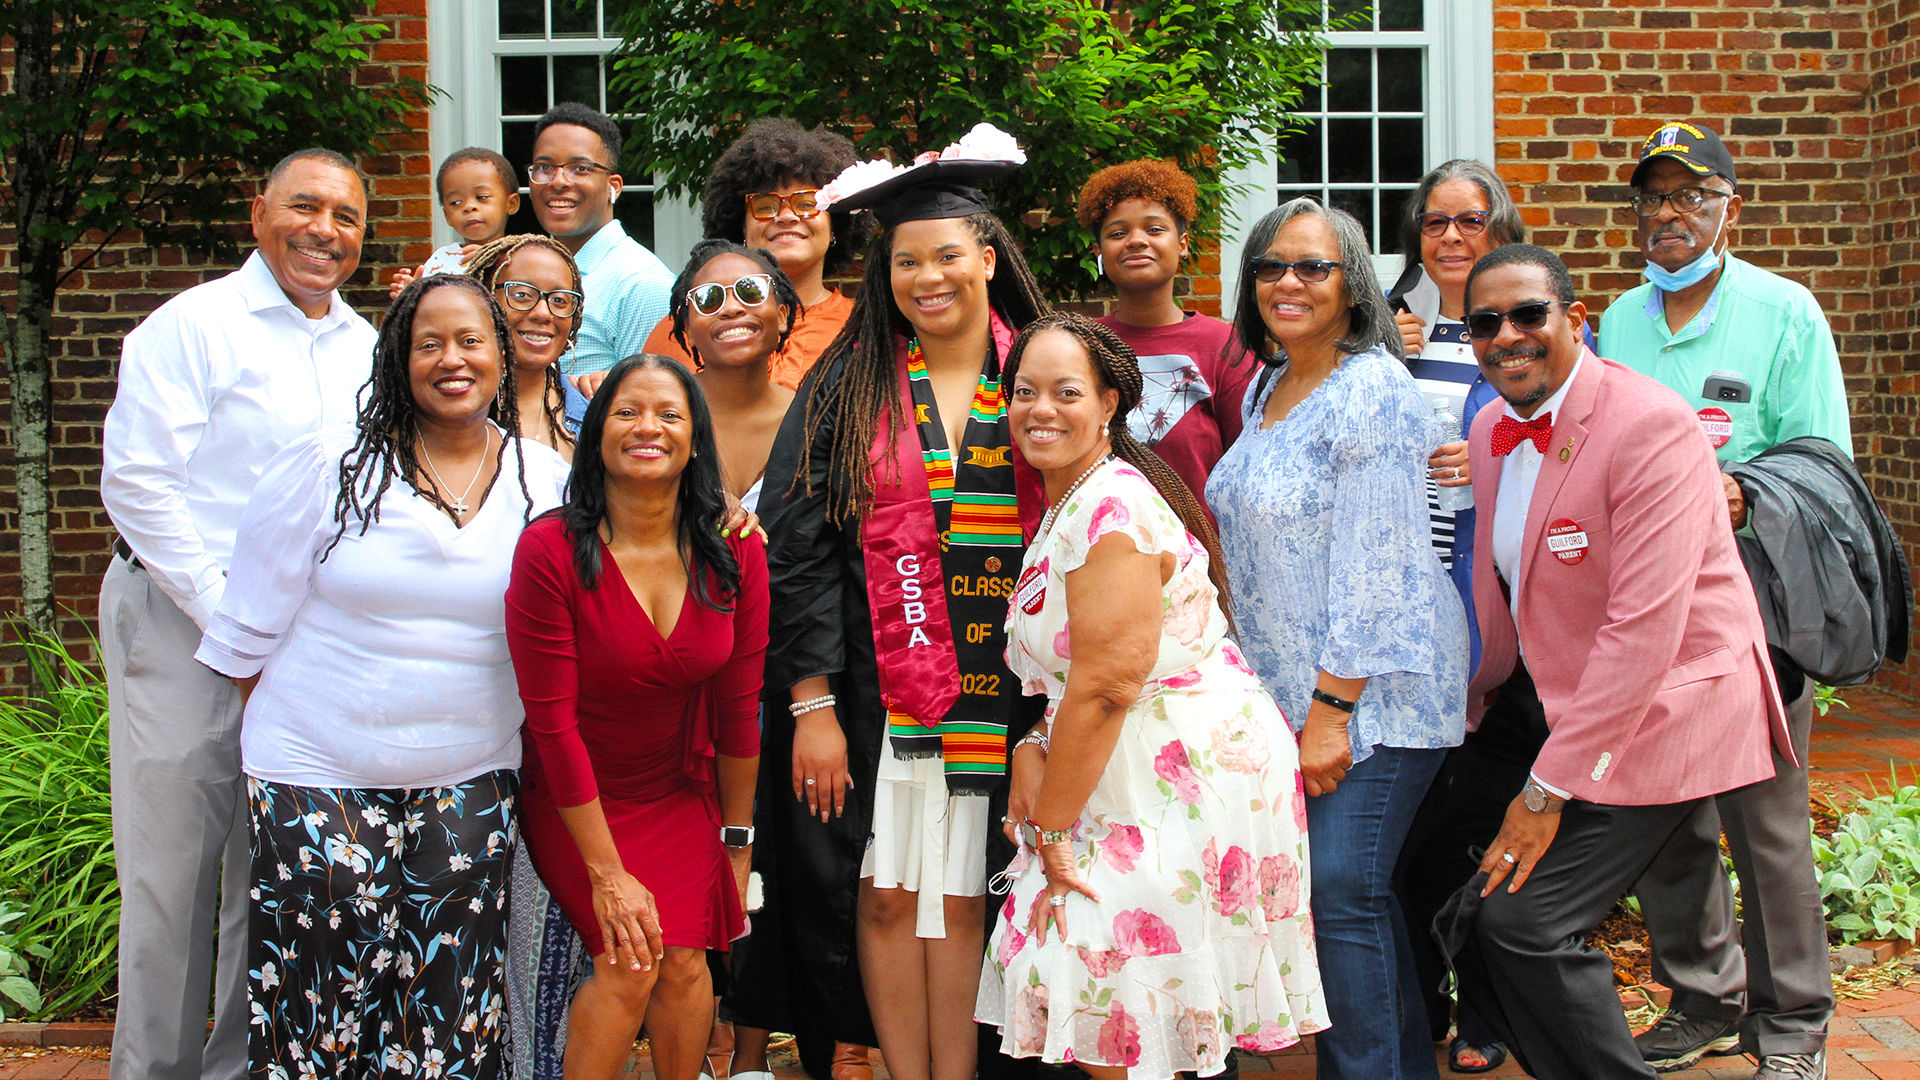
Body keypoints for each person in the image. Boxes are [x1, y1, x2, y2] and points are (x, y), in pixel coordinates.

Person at [726, 124, 1051, 1080]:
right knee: (877, 893)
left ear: (986, 259)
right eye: (907, 261)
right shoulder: (852, 382)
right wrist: (813, 704)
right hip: (878, 688)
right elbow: (800, 555)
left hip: (1008, 691)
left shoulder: (1040, 372)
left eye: (948, 256)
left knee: (963, 894)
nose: (927, 278)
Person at [193, 272, 570, 1075]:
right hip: (315, 772)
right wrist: (318, 741)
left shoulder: (550, 481)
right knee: (321, 998)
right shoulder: (333, 466)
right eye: (427, 343)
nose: (451, 359)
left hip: (472, 775)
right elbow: (247, 631)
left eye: (470, 340)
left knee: (451, 1002)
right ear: (396, 360)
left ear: (503, 355)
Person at [1448, 242, 1791, 1080]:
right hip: (1571, 701)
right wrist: (1465, 710)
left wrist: (1544, 789)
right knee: (1467, 911)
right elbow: (1503, 590)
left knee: (1525, 924)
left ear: (1575, 321)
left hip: (1670, 708)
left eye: (1528, 314)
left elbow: (1644, 631)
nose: (1506, 336)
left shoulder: (1651, 424)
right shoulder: (1493, 428)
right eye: (1484, 322)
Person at [974, 313, 1328, 1076]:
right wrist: (1035, 748)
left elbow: (1106, 684)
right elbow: (1077, 679)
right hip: (1128, 758)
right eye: (1025, 390)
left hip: (1176, 770)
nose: (1041, 408)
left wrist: (1056, 830)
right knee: (1128, 997)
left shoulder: (1112, 507)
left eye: (1066, 391)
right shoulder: (1075, 498)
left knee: (1117, 983)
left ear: (1108, 404)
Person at [98, 147, 373, 1080]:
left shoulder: (366, 345)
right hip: (185, 624)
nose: (324, 232)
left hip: (306, 643)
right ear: (259, 214)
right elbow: (139, 487)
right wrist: (233, 628)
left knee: (270, 874)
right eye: (306, 208)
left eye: (346, 217)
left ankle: (237, 1069)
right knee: (171, 880)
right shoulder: (192, 327)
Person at [1598, 121, 1845, 1080]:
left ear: (1729, 210)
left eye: (1690, 197)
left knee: (1767, 823)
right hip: (1645, 606)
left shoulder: (1786, 313)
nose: (1668, 215)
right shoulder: (1619, 323)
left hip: (1753, 605)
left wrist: (1747, 486)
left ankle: (1792, 1030)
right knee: (1669, 819)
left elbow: (1826, 467)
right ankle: (1703, 999)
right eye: (1653, 198)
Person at [1204, 198, 1467, 1080]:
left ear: (1350, 283)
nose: (1288, 282)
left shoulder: (1373, 389)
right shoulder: (1265, 385)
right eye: (1271, 265)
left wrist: (1329, 714)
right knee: (1351, 895)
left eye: (1312, 266)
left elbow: (1381, 567)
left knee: (1340, 893)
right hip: (1294, 696)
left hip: (1379, 693)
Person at [505, 353, 767, 1080]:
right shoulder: (550, 550)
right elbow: (551, 727)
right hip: (574, 795)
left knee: (684, 963)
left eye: (669, 414)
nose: (647, 427)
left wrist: (738, 838)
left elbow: (739, 706)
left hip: (678, 789)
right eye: (626, 412)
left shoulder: (734, 547)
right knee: (630, 962)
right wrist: (606, 873)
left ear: (694, 437)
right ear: (596, 434)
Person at [1382, 158, 1529, 1076]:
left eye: (1469, 220)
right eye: (1433, 220)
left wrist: (1491, 466)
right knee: (1414, 830)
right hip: (1406, 611)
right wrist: (1384, 359)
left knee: (1477, 822)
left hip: (1491, 615)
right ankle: (1424, 999)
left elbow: (1556, 448)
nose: (1449, 237)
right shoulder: (1389, 329)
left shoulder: (1513, 329)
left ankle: (1486, 1009)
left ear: (1499, 230)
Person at [1073, 160, 1253, 517]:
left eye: (1155, 229)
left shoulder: (1227, 347)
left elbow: (1252, 467)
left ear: (1183, 244)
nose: (1137, 240)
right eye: (1117, 233)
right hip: (1097, 552)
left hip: (1201, 561)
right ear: (1099, 252)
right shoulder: (1080, 347)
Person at [641, 118, 869, 389]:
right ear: (741, 226)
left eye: (807, 203)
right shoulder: (689, 327)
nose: (786, 216)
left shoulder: (865, 328)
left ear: (836, 226)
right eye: (765, 205)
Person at [529, 102, 676, 376]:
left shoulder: (642, 284)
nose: (558, 181)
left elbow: (652, 399)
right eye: (544, 167)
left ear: (614, 187)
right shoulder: (528, 271)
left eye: (580, 168)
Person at [670, 240, 802, 511]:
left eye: (750, 292)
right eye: (709, 298)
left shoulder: (810, 419)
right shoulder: (658, 416)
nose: (731, 308)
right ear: (689, 331)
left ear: (781, 316)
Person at [465, 233, 592, 458]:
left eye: (559, 300)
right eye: (521, 294)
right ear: (482, 297)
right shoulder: (448, 414)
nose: (543, 313)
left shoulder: (594, 418)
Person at [388, 146, 521, 296]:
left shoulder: (519, 256)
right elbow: (428, 311)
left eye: (482, 197)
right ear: (447, 215)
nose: (469, 207)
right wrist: (410, 296)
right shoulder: (442, 259)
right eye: (456, 202)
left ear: (511, 204)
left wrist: (494, 262)